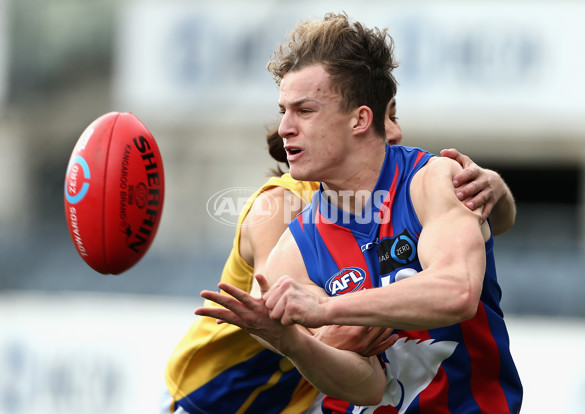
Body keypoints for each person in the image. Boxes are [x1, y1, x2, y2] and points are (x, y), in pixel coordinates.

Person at [196, 12, 522, 414]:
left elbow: (457, 291)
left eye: (304, 110)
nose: (283, 127)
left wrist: (327, 309)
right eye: (283, 110)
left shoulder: (432, 181)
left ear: (361, 119)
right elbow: (366, 387)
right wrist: (293, 343)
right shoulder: (294, 248)